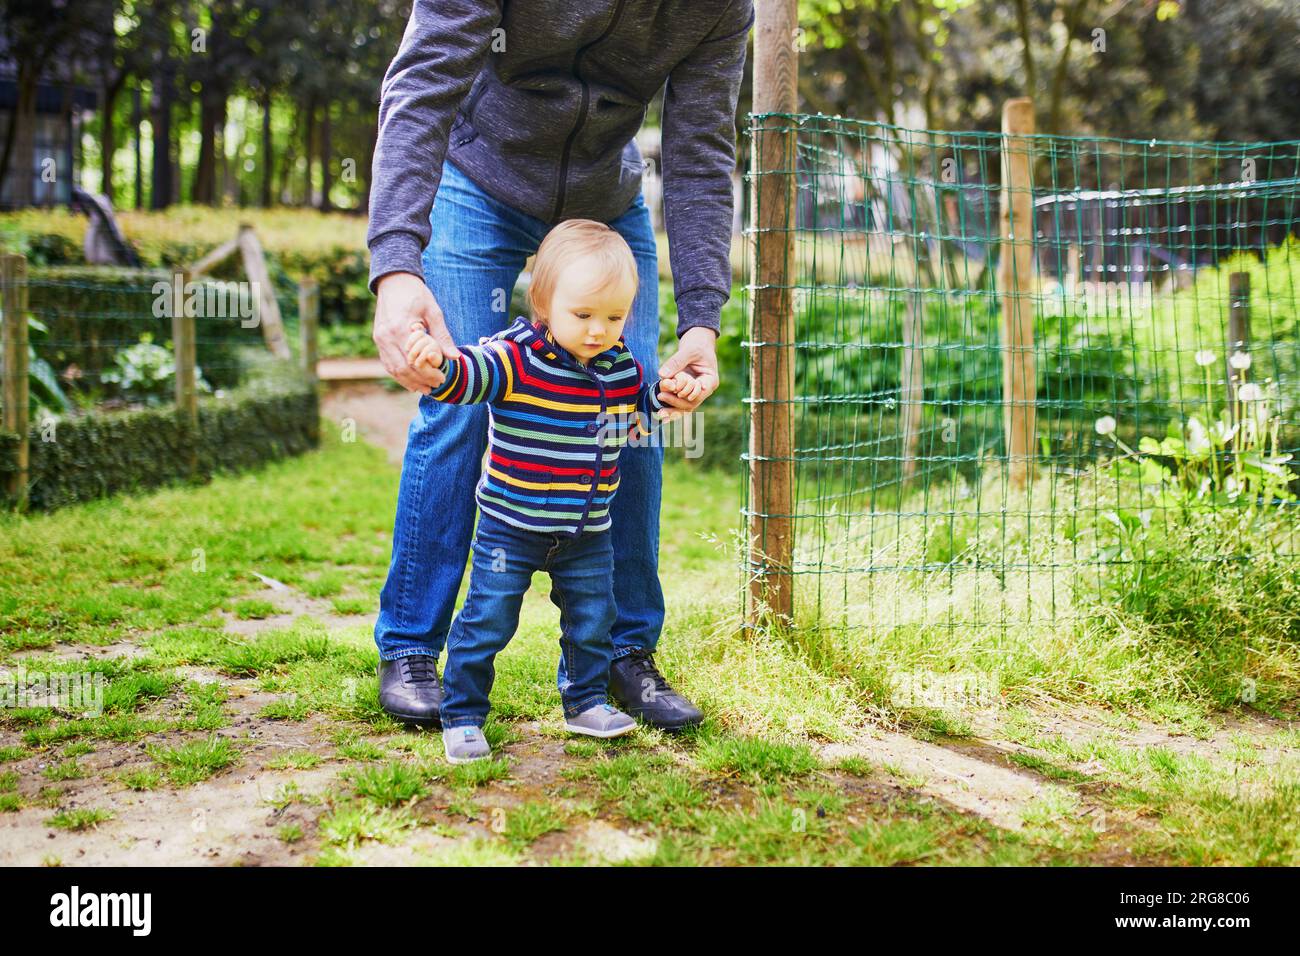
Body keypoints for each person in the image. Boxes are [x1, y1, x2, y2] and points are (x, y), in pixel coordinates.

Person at [366, 0, 755, 732]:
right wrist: (395, 262)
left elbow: (701, 151)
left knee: (632, 417)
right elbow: (423, 79)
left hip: (606, 204)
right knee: (454, 402)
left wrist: (702, 320)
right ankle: (414, 646)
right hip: (474, 175)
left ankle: (622, 653)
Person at [405, 220, 702, 762]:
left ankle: (586, 701)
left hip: (587, 531)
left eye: (614, 317)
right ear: (543, 303)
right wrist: (440, 365)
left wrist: (665, 397)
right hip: (510, 530)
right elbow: (469, 377)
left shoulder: (619, 367)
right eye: (583, 315)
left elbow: (635, 416)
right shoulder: (515, 357)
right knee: (487, 622)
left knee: (593, 622)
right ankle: (464, 713)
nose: (598, 330)